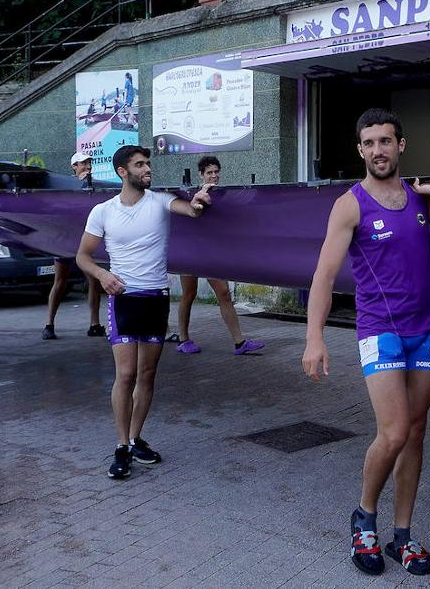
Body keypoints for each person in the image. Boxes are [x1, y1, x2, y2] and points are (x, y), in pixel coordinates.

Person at [302, 108, 430, 577]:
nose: (378, 150)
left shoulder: (418, 199)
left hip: (427, 331)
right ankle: (364, 518)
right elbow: (323, 273)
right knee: (395, 432)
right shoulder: (351, 204)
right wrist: (314, 338)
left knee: (416, 431)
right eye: (370, 143)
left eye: (386, 141)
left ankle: (402, 534)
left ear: (401, 145)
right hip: (380, 331)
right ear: (360, 150)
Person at [76, 145, 213, 480]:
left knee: (147, 375)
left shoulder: (161, 201)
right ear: (123, 171)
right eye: (140, 165)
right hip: (124, 300)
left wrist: (198, 202)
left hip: (156, 298)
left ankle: (136, 438)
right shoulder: (103, 211)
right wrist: (103, 275)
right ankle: (121, 446)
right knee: (125, 375)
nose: (147, 169)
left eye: (148, 163)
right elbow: (82, 256)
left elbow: (191, 210)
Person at [174, 156, 264, 356]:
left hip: (211, 253)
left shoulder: (222, 195)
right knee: (189, 294)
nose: (214, 175)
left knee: (224, 293)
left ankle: (239, 343)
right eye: (209, 172)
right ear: (201, 175)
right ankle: (183, 339)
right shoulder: (192, 193)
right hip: (191, 252)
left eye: (216, 172)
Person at [42, 151, 105, 340]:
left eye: (88, 163)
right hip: (65, 241)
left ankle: (95, 324)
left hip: (85, 241)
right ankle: (49, 324)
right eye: (82, 163)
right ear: (74, 167)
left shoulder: (95, 186)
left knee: (93, 280)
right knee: (60, 281)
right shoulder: (64, 186)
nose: (86, 166)